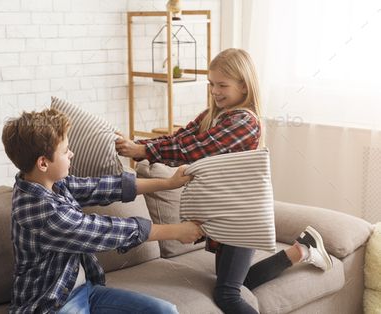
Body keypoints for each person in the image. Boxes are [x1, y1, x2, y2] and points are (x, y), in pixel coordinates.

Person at [115, 48, 333, 314]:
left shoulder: (245, 122)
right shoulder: (214, 114)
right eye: (211, 84)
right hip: (223, 213)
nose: (215, 91)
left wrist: (143, 151)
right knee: (237, 283)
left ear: (244, 86)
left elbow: (197, 149)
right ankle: (302, 251)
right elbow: (181, 138)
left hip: (241, 215)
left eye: (222, 85)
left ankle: (303, 251)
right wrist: (138, 145)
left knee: (227, 294)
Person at [1, 108, 204, 314]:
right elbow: (104, 231)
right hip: (51, 304)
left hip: (86, 291)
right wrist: (177, 232)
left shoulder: (53, 184)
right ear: (43, 162)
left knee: (165, 311)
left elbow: (104, 187)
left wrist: (169, 183)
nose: (71, 154)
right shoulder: (37, 210)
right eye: (65, 151)